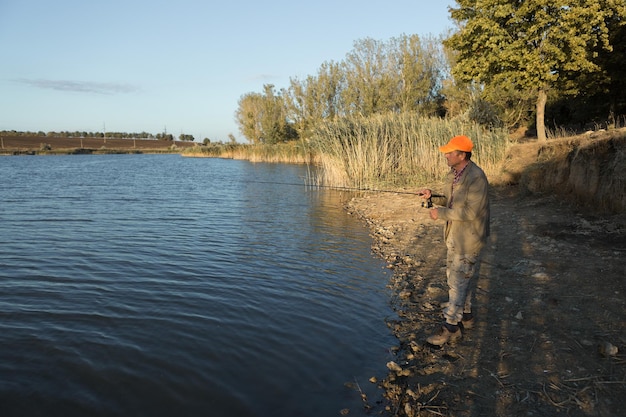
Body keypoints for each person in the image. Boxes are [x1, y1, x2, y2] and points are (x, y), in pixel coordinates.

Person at [418, 135, 490, 346]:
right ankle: (466, 317)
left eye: (450, 152)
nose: (446, 155)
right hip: (454, 235)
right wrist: (432, 196)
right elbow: (451, 202)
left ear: (462, 154)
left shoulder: (476, 177)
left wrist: (440, 213)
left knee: (457, 282)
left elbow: (470, 211)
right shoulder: (454, 174)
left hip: (468, 238)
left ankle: (450, 328)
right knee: (459, 278)